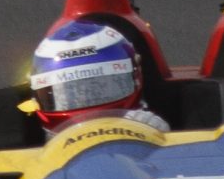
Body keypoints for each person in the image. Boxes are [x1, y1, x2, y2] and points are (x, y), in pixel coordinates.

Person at [30, 17, 169, 134]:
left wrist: (157, 137)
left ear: (136, 77)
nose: (84, 98)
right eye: (71, 92)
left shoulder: (150, 128)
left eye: (99, 88)